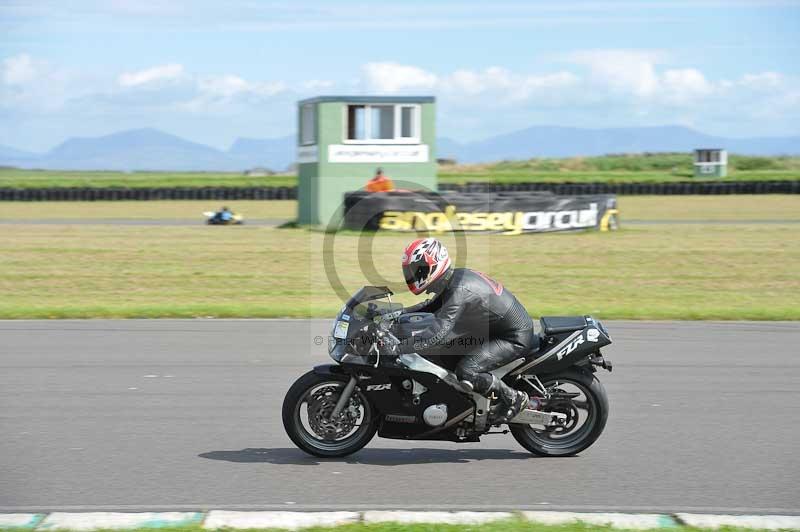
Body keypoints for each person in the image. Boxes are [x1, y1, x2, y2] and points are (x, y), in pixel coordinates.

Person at [398, 237, 533, 423]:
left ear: (433, 265)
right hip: (490, 330)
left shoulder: (458, 288)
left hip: (511, 336)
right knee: (445, 355)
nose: (412, 275)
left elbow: (438, 332)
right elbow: (431, 305)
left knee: (467, 371)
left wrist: (399, 348)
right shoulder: (452, 279)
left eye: (417, 269)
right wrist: (394, 314)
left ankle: (514, 398)